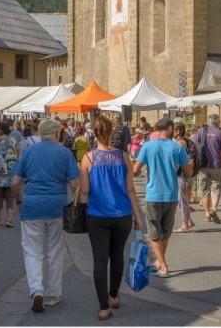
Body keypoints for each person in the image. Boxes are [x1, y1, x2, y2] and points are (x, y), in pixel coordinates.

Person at [12, 119, 80, 313]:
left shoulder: (28, 152)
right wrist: (78, 205)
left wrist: (18, 202)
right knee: (55, 251)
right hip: (57, 207)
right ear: (57, 134)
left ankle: (36, 289)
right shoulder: (65, 153)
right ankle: (52, 293)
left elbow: (15, 183)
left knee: (32, 251)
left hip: (32, 206)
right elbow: (75, 185)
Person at [80, 115, 142, 321]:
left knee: (99, 260)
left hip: (97, 215)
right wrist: (138, 216)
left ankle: (103, 307)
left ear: (95, 134)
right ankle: (114, 296)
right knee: (117, 256)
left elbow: (86, 190)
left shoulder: (88, 159)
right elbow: (131, 189)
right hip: (122, 214)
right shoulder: (124, 157)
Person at [133, 118, 188, 278]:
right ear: (170, 128)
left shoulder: (148, 146)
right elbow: (189, 171)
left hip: (153, 194)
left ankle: (163, 267)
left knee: (154, 233)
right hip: (171, 194)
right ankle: (159, 261)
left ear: (158, 129)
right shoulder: (177, 148)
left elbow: (136, 170)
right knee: (164, 232)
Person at [193, 114, 221, 224]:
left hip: (203, 165)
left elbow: (194, 147)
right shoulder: (220, 133)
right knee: (216, 188)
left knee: (204, 190)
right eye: (220, 121)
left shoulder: (200, 131)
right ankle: (213, 209)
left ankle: (207, 213)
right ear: (217, 122)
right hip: (217, 165)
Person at [173, 123, 198, 233]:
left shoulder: (180, 142)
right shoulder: (188, 140)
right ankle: (189, 220)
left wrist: (172, 172)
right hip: (190, 173)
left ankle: (185, 224)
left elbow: (178, 160)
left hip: (183, 174)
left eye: (173, 130)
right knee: (183, 199)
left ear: (178, 131)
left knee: (181, 200)